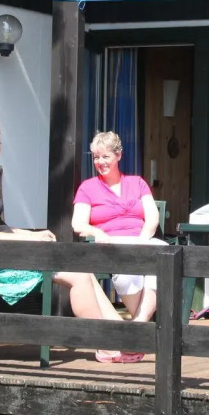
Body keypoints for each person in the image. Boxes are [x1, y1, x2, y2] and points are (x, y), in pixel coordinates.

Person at [0, 119, 142, 364]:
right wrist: (27, 243)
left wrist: (33, 235)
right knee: (79, 277)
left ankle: (121, 335)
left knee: (83, 271)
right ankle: (103, 343)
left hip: (1, 255)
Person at [71, 131, 163, 322]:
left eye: (106, 156)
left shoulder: (137, 183)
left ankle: (139, 322)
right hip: (111, 242)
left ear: (118, 155)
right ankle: (142, 323)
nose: (100, 162)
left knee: (165, 254)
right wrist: (97, 232)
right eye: (96, 157)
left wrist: (142, 240)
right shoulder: (87, 188)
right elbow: (78, 224)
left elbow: (153, 217)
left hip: (141, 239)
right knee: (127, 274)